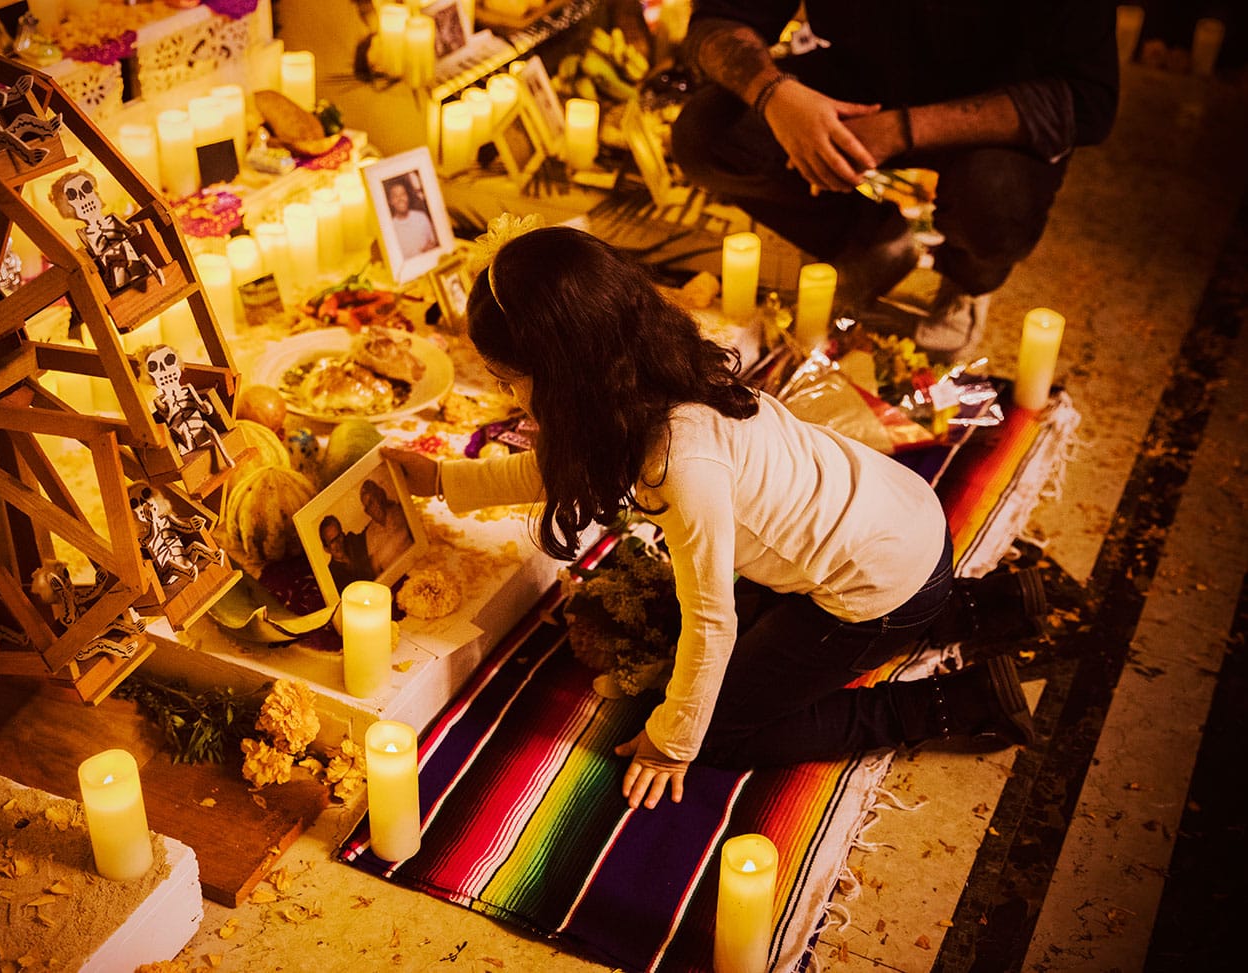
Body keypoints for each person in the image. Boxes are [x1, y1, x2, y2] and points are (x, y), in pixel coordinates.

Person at [383, 226, 1045, 811]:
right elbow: (574, 467)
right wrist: (443, 481)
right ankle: (983, 607)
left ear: (565, 378)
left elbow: (710, 619)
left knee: (720, 729)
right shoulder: (650, 368)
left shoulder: (680, 462)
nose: (507, 394)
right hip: (902, 515)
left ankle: (947, 703)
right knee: (733, 652)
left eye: (510, 379)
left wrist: (673, 742)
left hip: (877, 586)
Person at [669, 1, 1119, 362]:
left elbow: (1088, 100)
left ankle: (967, 280)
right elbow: (719, 21)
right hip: (861, 78)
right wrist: (775, 95)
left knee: (997, 201)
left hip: (995, 110)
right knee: (708, 135)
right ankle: (871, 242)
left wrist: (903, 129)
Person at [360, 480, 411, 575]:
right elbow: (376, 568)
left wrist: (381, 554)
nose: (372, 509)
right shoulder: (370, 533)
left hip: (414, 563)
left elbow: (411, 533)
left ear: (378, 496)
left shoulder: (397, 511)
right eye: (367, 508)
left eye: (371, 502)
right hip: (395, 576)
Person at [385, 178, 438, 259]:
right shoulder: (390, 229)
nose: (400, 199)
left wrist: (430, 247)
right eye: (395, 196)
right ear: (390, 201)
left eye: (403, 194)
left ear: (407, 197)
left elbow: (434, 242)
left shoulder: (421, 217)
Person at [320, 515, 373, 593]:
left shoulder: (353, 543)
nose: (338, 543)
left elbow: (368, 532)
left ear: (343, 534)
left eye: (338, 536)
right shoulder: (332, 576)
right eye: (332, 541)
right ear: (326, 548)